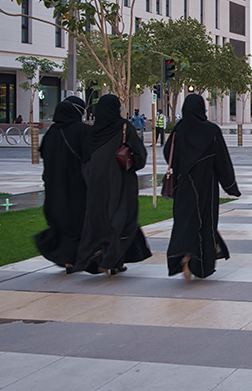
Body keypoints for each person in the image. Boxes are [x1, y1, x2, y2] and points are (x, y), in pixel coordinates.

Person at [72, 94, 152, 275]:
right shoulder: (124, 127)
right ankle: (111, 258)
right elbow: (139, 156)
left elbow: (84, 160)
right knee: (123, 220)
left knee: (101, 220)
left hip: (96, 185)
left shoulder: (92, 132)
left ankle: (110, 258)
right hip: (121, 182)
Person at [164, 94, 241, 280]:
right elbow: (222, 161)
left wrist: (182, 166)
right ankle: (198, 263)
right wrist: (230, 186)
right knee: (204, 222)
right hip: (206, 185)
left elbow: (168, 153)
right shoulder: (211, 131)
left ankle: (184, 254)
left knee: (183, 221)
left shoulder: (179, 130)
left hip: (183, 184)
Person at [34, 96, 89, 271]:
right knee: (76, 220)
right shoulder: (82, 131)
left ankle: (68, 259)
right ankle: (72, 258)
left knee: (60, 220)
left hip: (53, 186)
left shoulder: (51, 133)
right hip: (77, 186)